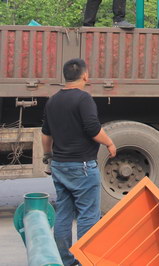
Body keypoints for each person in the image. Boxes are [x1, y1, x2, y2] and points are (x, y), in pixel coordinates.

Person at [41, 58, 117, 266]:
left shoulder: (53, 100)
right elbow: (93, 129)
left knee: (64, 214)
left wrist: (48, 157)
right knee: (88, 215)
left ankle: (66, 261)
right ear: (85, 76)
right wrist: (110, 143)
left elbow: (46, 134)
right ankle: (86, 261)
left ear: (65, 76)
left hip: (60, 165)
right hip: (82, 166)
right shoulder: (84, 99)